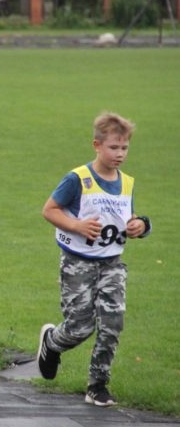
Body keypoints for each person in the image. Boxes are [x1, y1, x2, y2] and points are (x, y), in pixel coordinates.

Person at [37, 112, 151, 407]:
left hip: (112, 263)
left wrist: (140, 226)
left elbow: (128, 218)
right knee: (80, 327)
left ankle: (97, 385)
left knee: (113, 323)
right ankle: (51, 342)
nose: (120, 154)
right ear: (97, 145)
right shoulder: (78, 179)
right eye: (114, 147)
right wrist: (76, 226)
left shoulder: (126, 183)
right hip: (78, 263)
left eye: (124, 148)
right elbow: (49, 210)